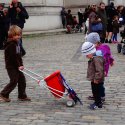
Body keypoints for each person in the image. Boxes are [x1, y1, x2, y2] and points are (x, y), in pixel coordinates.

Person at [0, 25, 31, 102]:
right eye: (16, 35)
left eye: (19, 35)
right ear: (11, 35)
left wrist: (21, 64)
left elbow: (18, 56)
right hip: (11, 66)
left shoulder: (17, 43)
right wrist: (18, 65)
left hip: (17, 66)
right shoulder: (11, 45)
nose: (18, 37)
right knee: (14, 80)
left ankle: (22, 95)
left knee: (22, 80)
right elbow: (13, 57)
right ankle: (4, 94)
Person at [86, 32, 114, 102]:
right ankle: (95, 94)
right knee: (94, 82)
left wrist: (111, 61)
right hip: (95, 68)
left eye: (91, 44)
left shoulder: (102, 49)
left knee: (100, 83)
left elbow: (108, 55)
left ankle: (101, 96)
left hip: (102, 69)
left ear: (97, 42)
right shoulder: (94, 49)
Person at [81, 42, 104, 110]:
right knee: (95, 91)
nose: (86, 56)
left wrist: (96, 79)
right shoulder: (93, 57)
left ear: (91, 52)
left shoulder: (97, 58)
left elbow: (99, 70)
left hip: (97, 79)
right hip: (94, 79)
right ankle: (97, 101)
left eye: (87, 55)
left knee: (96, 91)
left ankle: (98, 103)